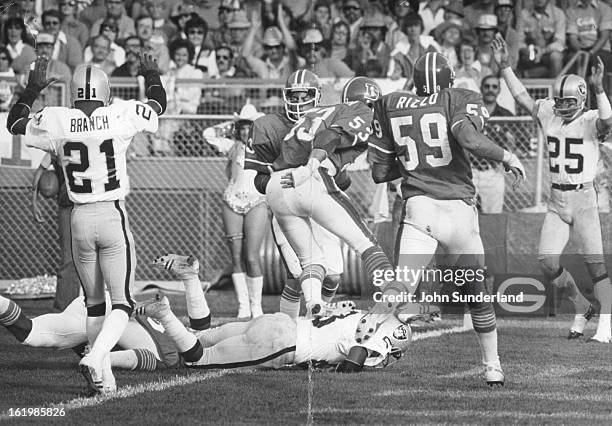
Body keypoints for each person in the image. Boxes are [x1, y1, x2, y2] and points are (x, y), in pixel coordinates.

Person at [6, 53, 167, 396]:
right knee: (121, 302)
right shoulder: (119, 113)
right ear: (106, 94)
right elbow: (158, 104)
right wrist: (151, 72)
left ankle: (104, 377)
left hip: (78, 217)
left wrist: (33, 88)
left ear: (75, 93)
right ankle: (96, 357)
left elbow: (15, 123)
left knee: (94, 303)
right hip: (110, 213)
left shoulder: (57, 118)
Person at [366, 51, 527, 386]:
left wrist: (412, 163)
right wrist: (507, 155)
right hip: (458, 210)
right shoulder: (458, 97)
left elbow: (380, 172)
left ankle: (362, 346)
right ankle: (492, 366)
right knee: (476, 292)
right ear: (448, 80)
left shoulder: (391, 103)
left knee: (401, 287)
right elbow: (469, 139)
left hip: (420, 208)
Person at [247, 72, 399, 327]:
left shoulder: (315, 115)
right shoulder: (361, 110)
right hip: (311, 178)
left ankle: (312, 311)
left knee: (312, 262)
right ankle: (397, 299)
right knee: (365, 243)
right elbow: (331, 138)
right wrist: (311, 166)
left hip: (280, 187)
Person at [494, 34, 612, 343]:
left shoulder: (590, 118)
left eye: (568, 101)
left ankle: (606, 327)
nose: (561, 106)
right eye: (559, 101)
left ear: (582, 100)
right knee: (547, 262)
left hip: (584, 197)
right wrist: (505, 66)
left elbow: (608, 121)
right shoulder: (548, 112)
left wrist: (600, 89)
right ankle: (582, 303)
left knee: (597, 266)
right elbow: (521, 96)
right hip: (556, 199)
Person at [135, 257, 412, 372]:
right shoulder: (379, 340)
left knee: (200, 337)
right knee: (196, 360)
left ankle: (190, 277)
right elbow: (355, 360)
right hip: (283, 344)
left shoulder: (362, 313)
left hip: (278, 321)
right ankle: (164, 313)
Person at [0, 254, 212, 371]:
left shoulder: (182, 340)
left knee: (31, 331)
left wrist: (190, 278)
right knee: (31, 333)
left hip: (107, 303)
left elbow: (201, 328)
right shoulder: (171, 354)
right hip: (114, 317)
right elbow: (138, 357)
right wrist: (100, 357)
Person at [219, 104, 269, 319]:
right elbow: (208, 134)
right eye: (241, 127)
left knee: (252, 256)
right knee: (236, 257)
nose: (244, 131)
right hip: (232, 200)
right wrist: (231, 126)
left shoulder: (266, 147)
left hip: (256, 201)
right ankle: (243, 306)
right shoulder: (232, 146)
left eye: (249, 126)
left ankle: (256, 306)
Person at [31, 153, 80, 310]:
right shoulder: (58, 142)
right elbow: (40, 171)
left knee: (73, 260)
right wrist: (34, 203)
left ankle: (68, 309)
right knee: (70, 260)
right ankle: (65, 310)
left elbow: (39, 171)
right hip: (75, 204)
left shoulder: (58, 141)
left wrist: (34, 202)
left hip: (83, 204)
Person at [472, 74, 515, 214]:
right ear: (481, 88)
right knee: (466, 215)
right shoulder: (470, 112)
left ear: (499, 90)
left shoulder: (506, 115)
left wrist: (507, 155)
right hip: (470, 170)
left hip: (493, 173)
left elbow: (520, 142)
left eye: (494, 87)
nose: (490, 89)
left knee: (493, 217)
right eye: (487, 86)